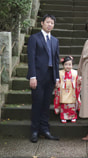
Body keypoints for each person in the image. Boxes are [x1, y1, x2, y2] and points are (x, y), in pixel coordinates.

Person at [26, 14, 60, 143]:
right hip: (38, 77)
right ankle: (34, 131)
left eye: (52, 23)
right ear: (42, 23)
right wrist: (32, 76)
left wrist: (57, 78)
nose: (49, 24)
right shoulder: (34, 38)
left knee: (46, 105)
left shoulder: (55, 40)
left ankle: (45, 130)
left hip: (50, 77)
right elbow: (31, 58)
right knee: (37, 104)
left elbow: (56, 61)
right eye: (47, 22)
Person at [53, 56, 81, 123]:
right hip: (63, 91)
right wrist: (57, 84)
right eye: (66, 64)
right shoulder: (60, 73)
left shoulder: (75, 72)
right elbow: (58, 81)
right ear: (63, 65)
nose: (68, 66)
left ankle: (73, 116)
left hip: (72, 91)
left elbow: (77, 82)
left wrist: (79, 82)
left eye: (69, 64)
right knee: (64, 105)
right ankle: (63, 117)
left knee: (72, 105)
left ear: (72, 65)